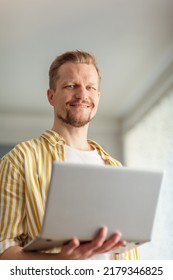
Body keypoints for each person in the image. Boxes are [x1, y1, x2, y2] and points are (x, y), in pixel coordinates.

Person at [0, 50, 138, 260]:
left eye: (90, 87)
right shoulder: (20, 159)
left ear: (98, 97)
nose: (82, 95)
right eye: (71, 86)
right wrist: (61, 263)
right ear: (51, 96)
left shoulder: (116, 168)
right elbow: (3, 249)